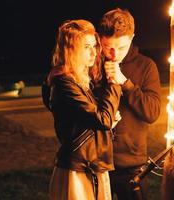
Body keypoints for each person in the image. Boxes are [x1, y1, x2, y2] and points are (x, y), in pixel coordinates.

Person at [43, 19, 125, 200]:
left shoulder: (80, 81)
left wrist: (110, 121)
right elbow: (102, 119)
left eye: (94, 46)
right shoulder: (64, 83)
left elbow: (90, 123)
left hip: (92, 165)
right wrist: (114, 82)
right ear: (70, 49)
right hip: (79, 170)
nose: (94, 52)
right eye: (86, 46)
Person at [97, 8, 161, 200]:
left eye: (121, 48)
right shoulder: (92, 63)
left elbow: (152, 112)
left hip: (133, 166)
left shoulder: (146, 66)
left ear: (132, 37)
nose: (114, 54)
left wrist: (125, 83)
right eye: (108, 46)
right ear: (100, 38)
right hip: (97, 162)